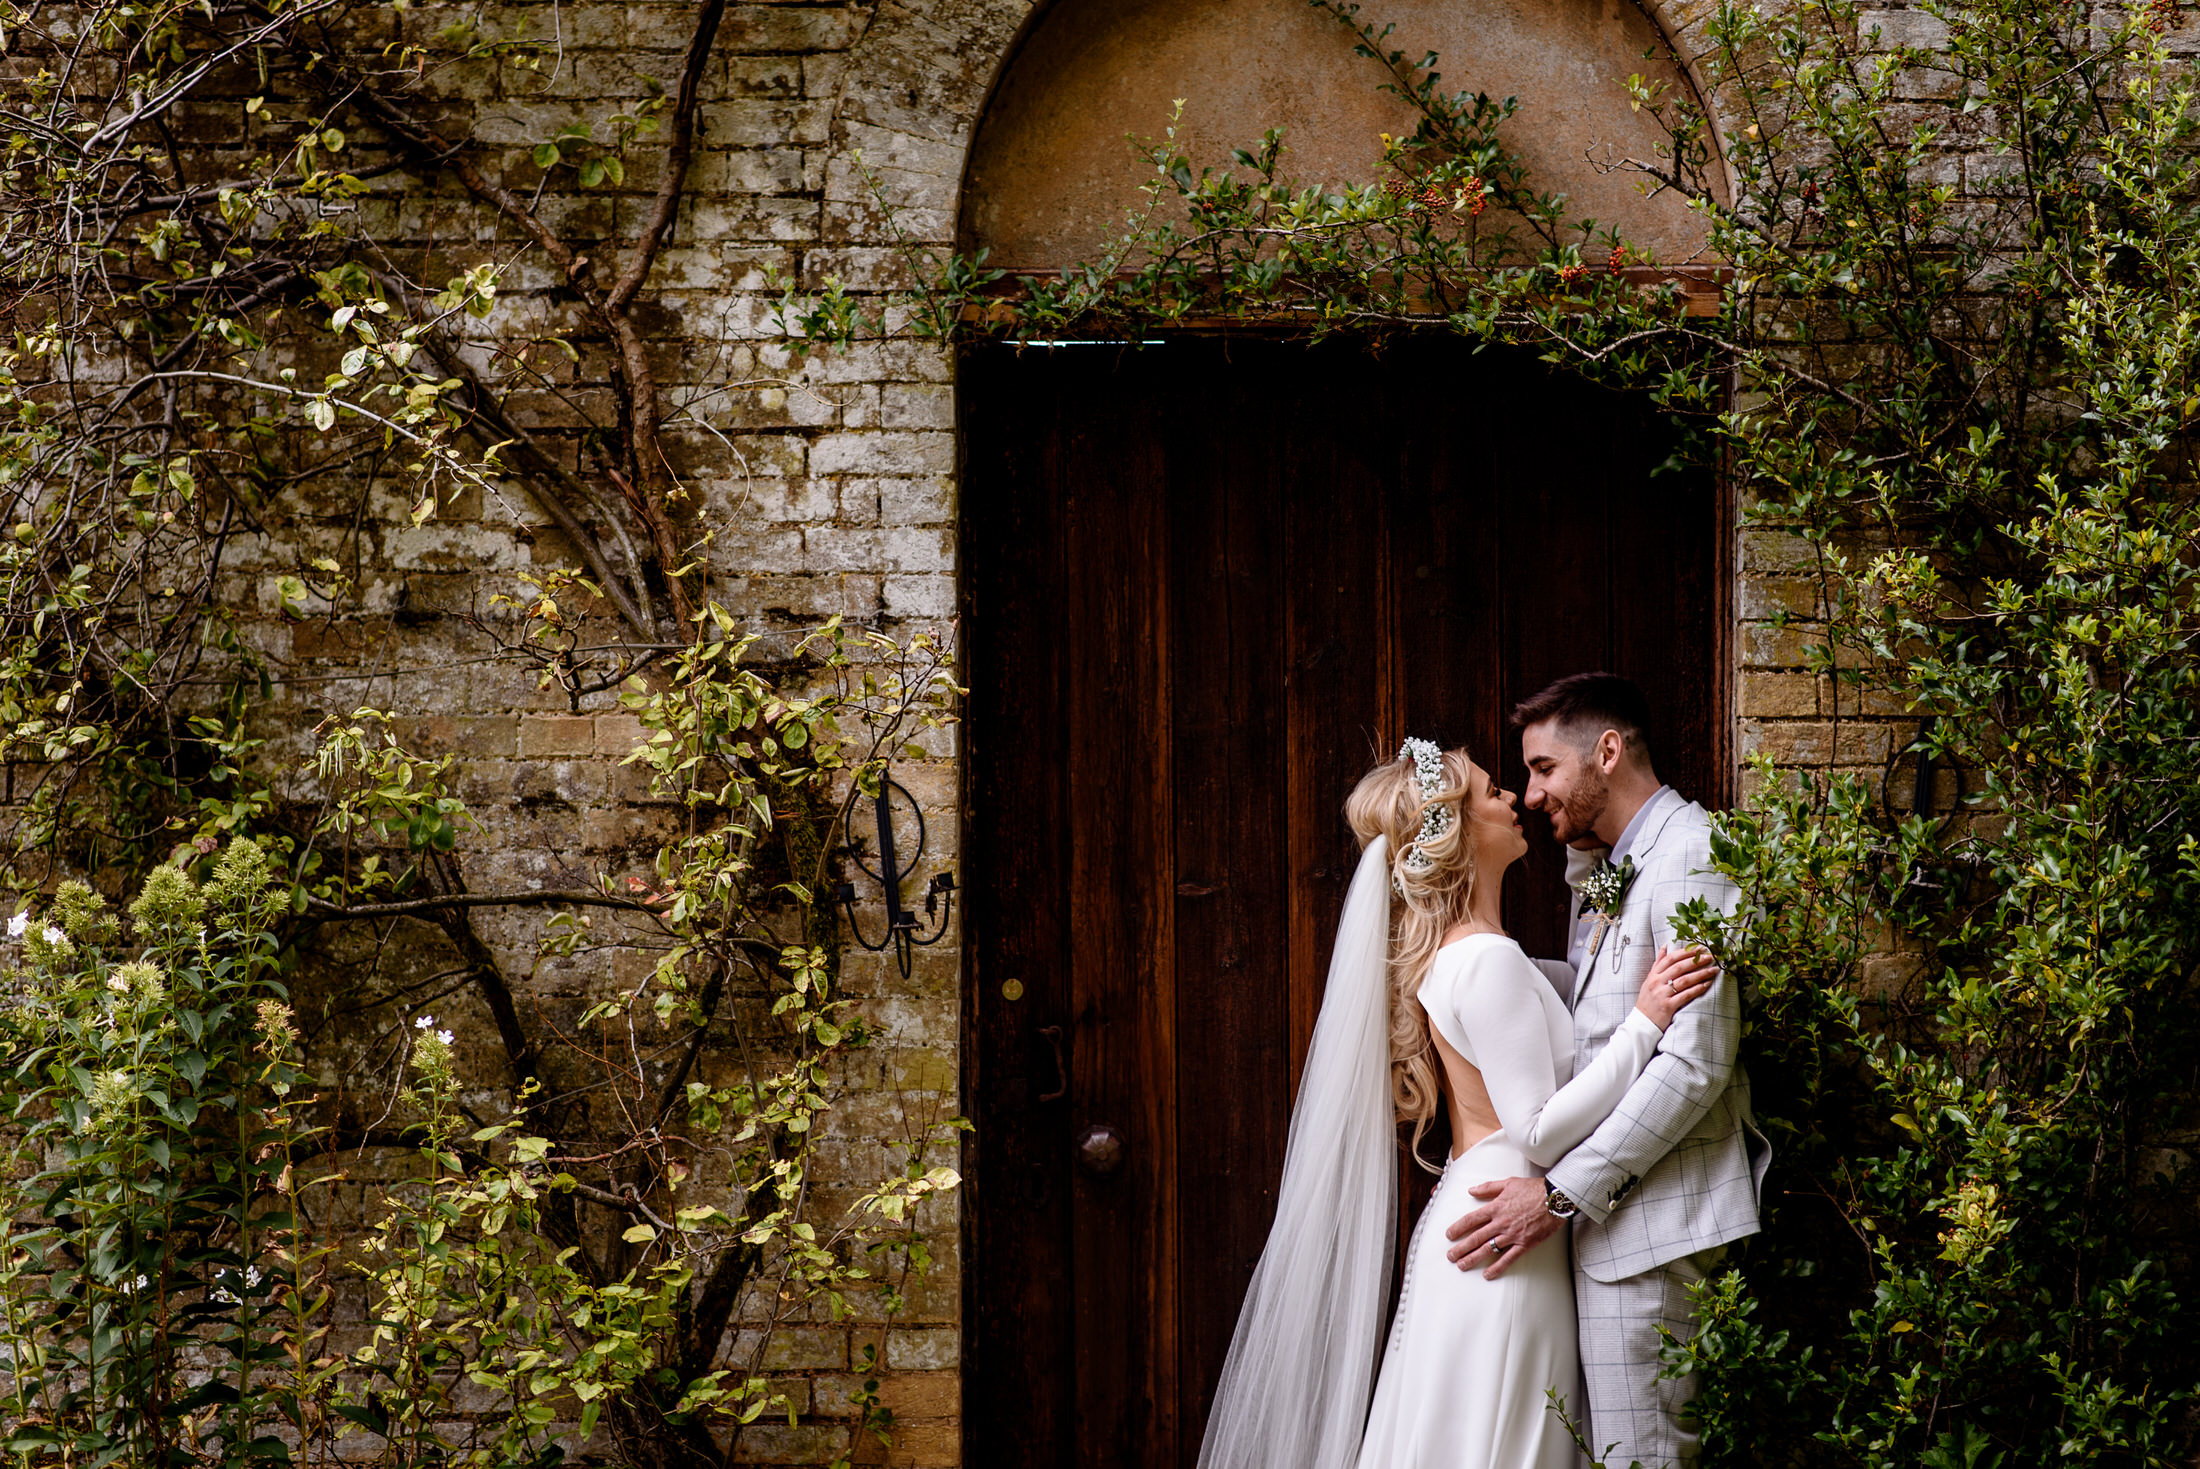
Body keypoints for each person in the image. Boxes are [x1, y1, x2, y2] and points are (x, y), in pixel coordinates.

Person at [1195, 736, 1720, 1469]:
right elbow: (1536, 1129)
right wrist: (1647, 1023)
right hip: (1505, 1234)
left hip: (1484, 1220)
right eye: (1489, 792)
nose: (1514, 800)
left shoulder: (1476, 951)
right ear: (1457, 829)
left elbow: (1572, 989)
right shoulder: (1484, 959)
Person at [1442, 673, 1770, 1469]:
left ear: (1609, 751)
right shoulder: (1607, 864)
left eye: (1545, 767)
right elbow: (1597, 1009)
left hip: (1655, 1231)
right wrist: (1457, 971)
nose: (1529, 793)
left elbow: (1695, 1065)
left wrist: (1558, 1195)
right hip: (1610, 1232)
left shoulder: (1693, 851)